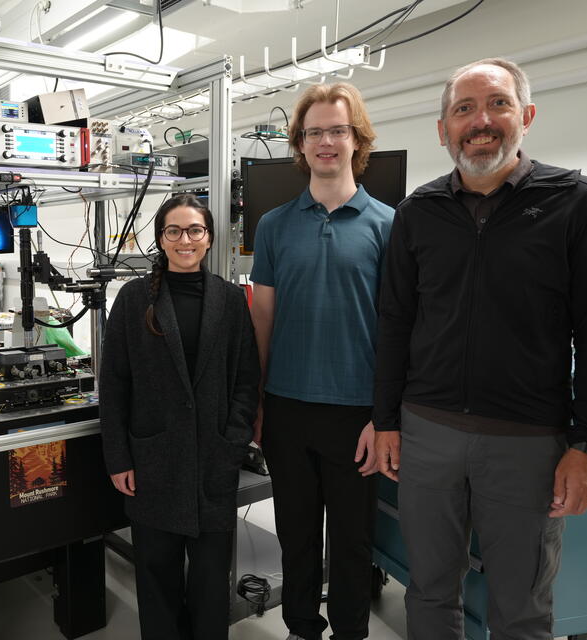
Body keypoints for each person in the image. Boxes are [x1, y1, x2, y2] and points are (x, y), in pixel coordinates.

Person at [374, 58, 587, 639]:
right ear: (443, 129)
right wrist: (385, 420)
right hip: (427, 434)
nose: (481, 121)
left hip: (528, 443)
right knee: (429, 591)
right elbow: (395, 322)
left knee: (522, 607)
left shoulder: (577, 204)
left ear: (525, 116)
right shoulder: (417, 214)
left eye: (497, 104)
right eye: (464, 109)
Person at [249, 83, 394, 640]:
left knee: (354, 544)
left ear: (357, 139)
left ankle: (350, 633)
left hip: (357, 415)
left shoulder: (388, 225)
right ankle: (301, 629)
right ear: (300, 144)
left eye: (338, 130)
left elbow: (397, 331)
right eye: (314, 133)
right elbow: (263, 318)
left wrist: (384, 417)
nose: (326, 142)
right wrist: (258, 400)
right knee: (296, 536)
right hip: (286, 409)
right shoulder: (274, 226)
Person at [99, 193, 259, 640]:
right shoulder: (133, 300)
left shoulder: (230, 300)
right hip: (153, 463)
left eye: (194, 230)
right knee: (156, 580)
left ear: (208, 239)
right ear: (161, 239)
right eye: (174, 230)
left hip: (214, 461)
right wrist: (119, 458)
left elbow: (247, 377)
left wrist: (234, 437)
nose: (184, 239)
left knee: (211, 585)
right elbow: (113, 384)